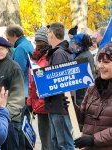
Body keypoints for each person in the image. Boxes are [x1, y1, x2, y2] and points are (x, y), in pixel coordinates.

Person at [0, 36, 25, 150]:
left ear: (7, 50)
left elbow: (17, 97)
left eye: (1, 49)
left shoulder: (14, 67)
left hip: (11, 120)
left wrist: (7, 114)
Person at [74, 42, 112, 150]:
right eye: (99, 61)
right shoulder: (93, 88)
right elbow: (82, 119)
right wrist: (71, 107)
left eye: (106, 62)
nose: (100, 66)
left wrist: (93, 139)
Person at [45, 22, 74, 150]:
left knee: (63, 143)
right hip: (58, 105)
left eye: (47, 34)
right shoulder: (62, 52)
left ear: (51, 34)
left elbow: (57, 81)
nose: (47, 37)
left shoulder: (59, 54)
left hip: (59, 105)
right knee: (57, 141)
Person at [27, 27, 53, 150]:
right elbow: (31, 83)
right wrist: (30, 102)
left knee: (49, 141)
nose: (38, 44)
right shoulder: (34, 57)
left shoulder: (49, 57)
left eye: (41, 41)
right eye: (37, 41)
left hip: (48, 104)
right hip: (38, 105)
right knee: (44, 140)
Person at [5, 24, 34, 98]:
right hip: (29, 88)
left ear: (14, 35)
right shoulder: (27, 44)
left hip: (23, 91)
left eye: (8, 39)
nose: (9, 42)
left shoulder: (20, 48)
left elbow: (18, 72)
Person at [73, 33, 95, 106]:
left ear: (80, 45)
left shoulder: (81, 57)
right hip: (87, 89)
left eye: (76, 43)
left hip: (82, 92)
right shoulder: (87, 53)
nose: (74, 44)